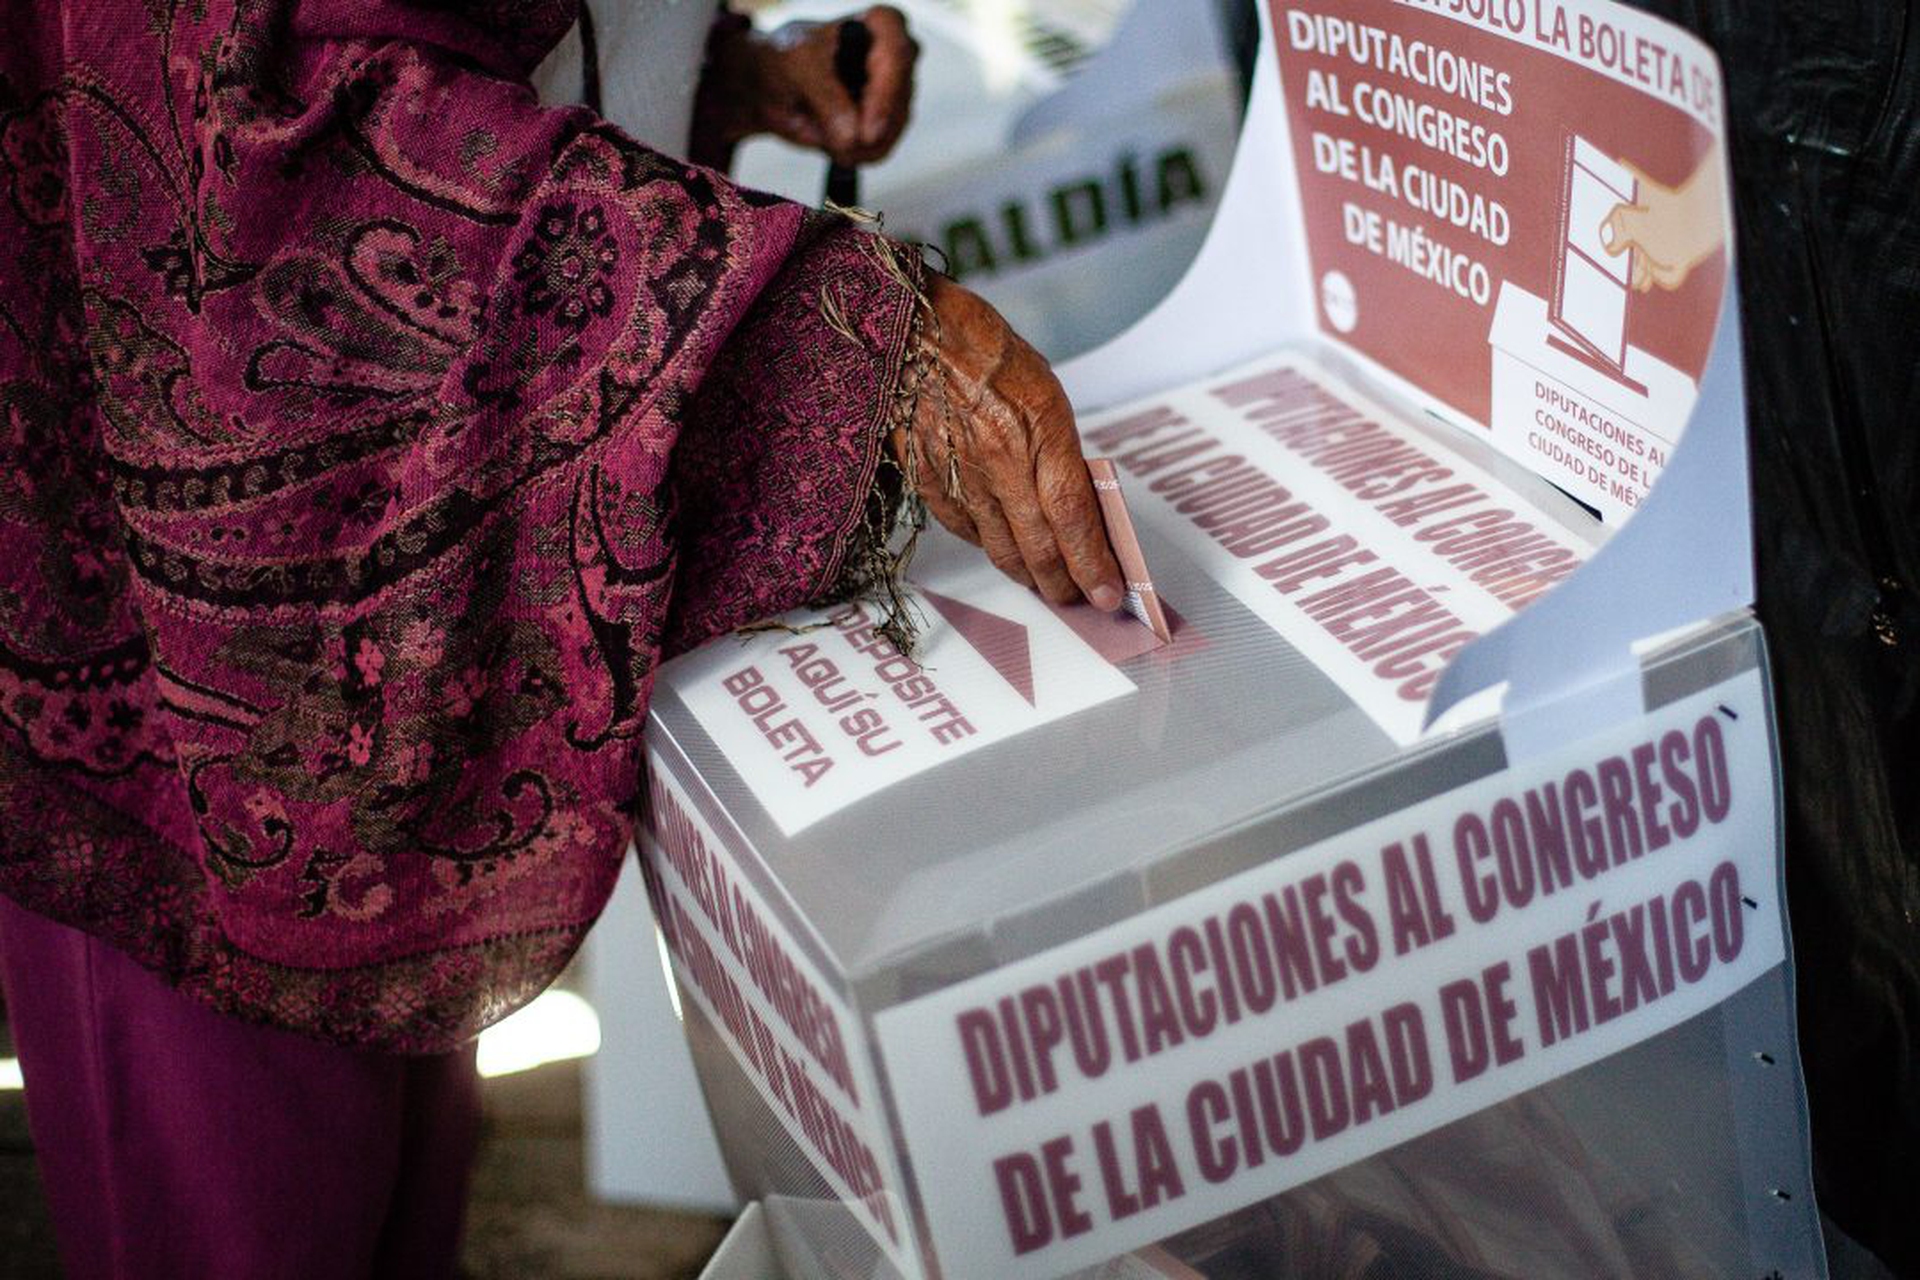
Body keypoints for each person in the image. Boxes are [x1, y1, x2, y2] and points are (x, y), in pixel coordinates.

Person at [0, 1, 1122, 1276]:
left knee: (404, 1173)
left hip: (393, 615)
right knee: (254, 1203)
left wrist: (717, 72)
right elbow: (288, 123)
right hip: (191, 652)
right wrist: (864, 333)